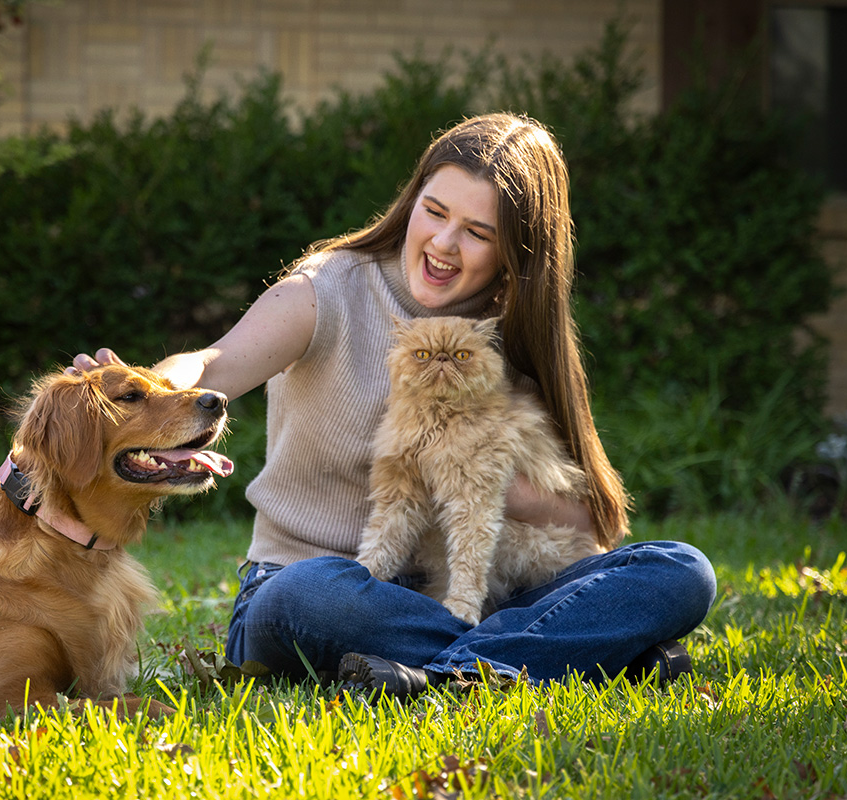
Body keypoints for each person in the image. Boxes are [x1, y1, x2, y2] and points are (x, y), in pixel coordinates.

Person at [73, 113, 716, 696]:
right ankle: (585, 657)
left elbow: (590, 530)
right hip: (318, 589)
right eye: (433, 212)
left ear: (517, 253)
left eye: (477, 232)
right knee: (310, 594)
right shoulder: (330, 287)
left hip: (469, 595)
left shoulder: (514, 334)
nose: (442, 244)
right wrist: (138, 385)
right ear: (410, 203)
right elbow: (213, 363)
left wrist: (481, 474)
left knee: (682, 570)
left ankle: (451, 673)